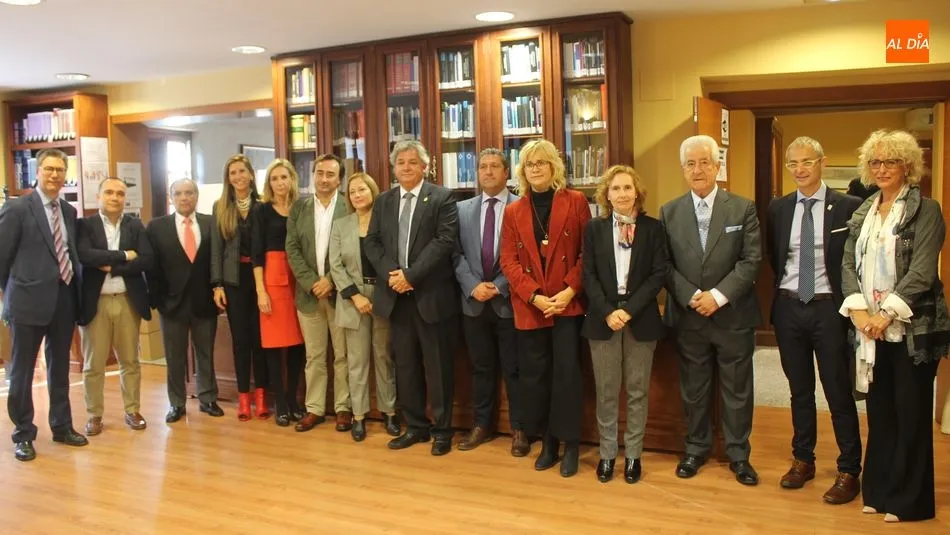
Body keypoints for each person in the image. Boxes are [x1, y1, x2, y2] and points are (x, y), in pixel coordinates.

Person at [839, 129, 949, 523]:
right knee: (880, 412)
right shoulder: (863, 210)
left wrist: (885, 315)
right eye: (875, 161)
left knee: (911, 412)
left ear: (908, 166)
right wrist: (861, 315)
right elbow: (848, 264)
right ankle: (880, 491)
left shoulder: (927, 210)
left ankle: (910, 501)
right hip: (870, 330)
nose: (882, 168)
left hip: (911, 330)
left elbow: (921, 272)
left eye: (891, 161)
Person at [660, 134, 762, 486]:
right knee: (694, 388)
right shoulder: (669, 212)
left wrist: (717, 296)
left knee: (737, 389)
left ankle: (738, 455)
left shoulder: (742, 208)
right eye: (691, 163)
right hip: (689, 317)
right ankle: (696, 448)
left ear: (718, 166)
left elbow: (751, 262)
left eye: (705, 162)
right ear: (683, 170)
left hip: (732, 315)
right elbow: (665, 264)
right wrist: (691, 296)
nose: (698, 169)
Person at [766, 136, 863, 504]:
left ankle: (848, 469)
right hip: (790, 305)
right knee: (799, 390)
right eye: (793, 163)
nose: (800, 169)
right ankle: (803, 459)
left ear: (822, 162)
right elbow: (778, 258)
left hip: (829, 307)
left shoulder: (848, 206)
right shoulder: (779, 208)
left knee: (837, 390)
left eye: (807, 161)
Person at [499, 139, 591, 477]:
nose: (536, 168)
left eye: (542, 162)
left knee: (566, 377)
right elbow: (507, 261)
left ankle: (571, 445)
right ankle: (548, 442)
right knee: (537, 379)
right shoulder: (513, 211)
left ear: (554, 166)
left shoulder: (576, 201)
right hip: (532, 307)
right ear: (523, 171)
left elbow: (586, 252)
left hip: (567, 305)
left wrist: (569, 291)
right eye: (529, 164)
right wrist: (534, 296)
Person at [364, 140, 459, 455]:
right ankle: (416, 427)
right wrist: (395, 275)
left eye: (412, 162)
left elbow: (444, 241)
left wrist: (411, 276)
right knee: (405, 365)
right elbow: (373, 242)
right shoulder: (384, 201)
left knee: (438, 367)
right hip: (397, 298)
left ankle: (442, 430)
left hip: (431, 296)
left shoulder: (442, 198)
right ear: (394, 168)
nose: (405, 167)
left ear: (424, 166)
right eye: (400, 162)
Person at [582, 165, 667, 484]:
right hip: (603, 319)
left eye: (627, 188)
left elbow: (658, 273)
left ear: (637, 192)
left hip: (640, 318)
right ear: (606, 194)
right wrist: (608, 311)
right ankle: (607, 455)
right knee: (605, 391)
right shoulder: (594, 228)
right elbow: (587, 274)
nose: (621, 194)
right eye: (615, 189)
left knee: (636, 390)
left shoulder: (653, 228)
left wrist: (628, 310)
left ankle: (633, 455)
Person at [0, 148, 87, 461]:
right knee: (23, 370)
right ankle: (23, 433)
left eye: (60, 170)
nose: (54, 175)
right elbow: (2, 259)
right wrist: (9, 297)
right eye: (49, 169)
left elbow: (68, 253)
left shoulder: (68, 211)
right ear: (37, 172)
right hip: (26, 302)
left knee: (60, 366)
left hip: (63, 299)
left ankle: (62, 426)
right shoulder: (18, 209)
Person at [453, 148, 526, 455]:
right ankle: (482, 425)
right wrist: (473, 286)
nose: (488, 171)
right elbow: (455, 254)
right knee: (481, 369)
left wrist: (498, 286)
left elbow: (526, 257)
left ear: (506, 172)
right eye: (483, 166)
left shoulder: (521, 207)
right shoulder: (462, 209)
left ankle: (521, 429)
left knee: (515, 369)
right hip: (473, 303)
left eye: (495, 166)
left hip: (508, 303)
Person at [77, 177, 153, 436]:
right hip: (95, 303)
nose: (115, 197)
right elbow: (85, 256)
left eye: (120, 194)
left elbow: (146, 259)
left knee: (130, 361)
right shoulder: (85, 225)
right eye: (109, 192)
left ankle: (132, 410)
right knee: (93, 364)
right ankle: (94, 415)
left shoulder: (135, 225)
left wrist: (113, 267)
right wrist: (123, 255)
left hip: (126, 300)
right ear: (98, 196)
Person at [329, 172, 401, 441]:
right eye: (353, 191)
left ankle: (389, 412)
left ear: (373, 190)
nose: (358, 195)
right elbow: (335, 266)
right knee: (356, 361)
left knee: (384, 357)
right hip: (352, 299)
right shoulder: (341, 225)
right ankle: (358, 416)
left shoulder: (385, 222)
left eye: (362, 189)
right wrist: (354, 296)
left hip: (383, 294)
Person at [147, 178, 223, 422]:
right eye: (178, 193)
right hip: (171, 305)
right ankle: (177, 403)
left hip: (204, 302)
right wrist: (158, 300)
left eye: (189, 193)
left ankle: (208, 399)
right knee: (174, 356)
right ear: (171, 198)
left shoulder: (212, 224)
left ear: (197, 195)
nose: (184, 197)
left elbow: (217, 261)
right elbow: (152, 268)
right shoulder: (157, 227)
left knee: (206, 354)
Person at [286, 153, 352, 433]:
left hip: (340, 294)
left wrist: (332, 281)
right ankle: (314, 409)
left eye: (330, 174)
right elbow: (293, 249)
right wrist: (313, 282)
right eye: (319, 173)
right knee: (314, 356)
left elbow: (353, 253)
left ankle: (343, 408)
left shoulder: (349, 206)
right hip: (309, 295)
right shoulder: (299, 209)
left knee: (342, 355)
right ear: (312, 175)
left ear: (339, 179)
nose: (324, 179)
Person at [211, 155, 268, 421]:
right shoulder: (221, 207)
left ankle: (262, 397)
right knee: (241, 341)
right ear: (228, 178)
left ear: (251, 174)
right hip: (234, 282)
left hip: (261, 280)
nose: (238, 176)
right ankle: (244, 397)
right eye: (232, 172)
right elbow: (216, 251)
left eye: (242, 171)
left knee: (261, 341)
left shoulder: (262, 205)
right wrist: (217, 285)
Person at [252, 159, 307, 427]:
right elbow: (256, 255)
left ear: (292, 179)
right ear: (269, 183)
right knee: (274, 344)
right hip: (272, 278)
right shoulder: (261, 211)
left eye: (284, 177)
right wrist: (261, 291)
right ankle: (280, 404)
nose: (280, 182)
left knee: (298, 342)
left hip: (300, 276)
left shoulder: (301, 208)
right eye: (274, 178)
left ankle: (293, 398)